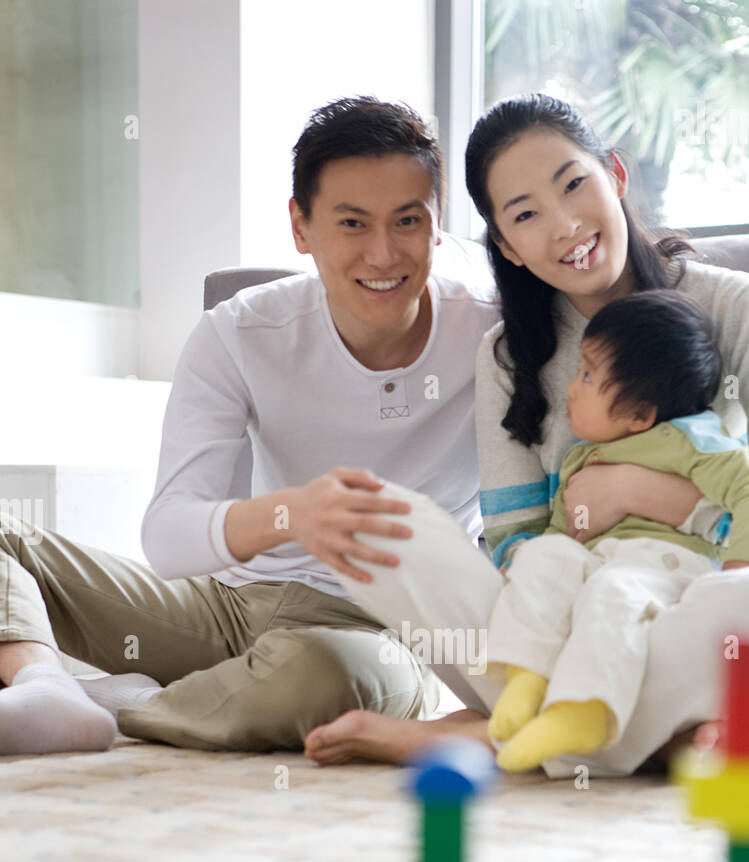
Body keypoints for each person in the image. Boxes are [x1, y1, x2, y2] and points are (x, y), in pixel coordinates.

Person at [303, 93, 749, 775]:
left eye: (573, 185)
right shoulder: (510, 357)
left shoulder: (735, 307)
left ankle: (501, 736)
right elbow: (514, 549)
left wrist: (639, 492)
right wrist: (584, 554)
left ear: (615, 176)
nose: (564, 227)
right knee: (379, 519)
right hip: (556, 620)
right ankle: (633, 732)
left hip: (683, 609)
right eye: (527, 214)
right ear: (508, 246)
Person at [0, 97, 500, 756]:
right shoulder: (240, 332)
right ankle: (45, 683)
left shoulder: (494, 335)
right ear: (301, 226)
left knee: (322, 675)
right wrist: (292, 515)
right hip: (233, 606)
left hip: (385, 634)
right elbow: (169, 536)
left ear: (437, 226)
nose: (383, 254)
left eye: (407, 221)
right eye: (352, 223)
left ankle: (130, 705)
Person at [485, 289, 749, 771]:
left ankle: (584, 711)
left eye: (587, 375)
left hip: (667, 572)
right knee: (544, 556)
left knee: (611, 588)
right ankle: (527, 676)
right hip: (604, 565)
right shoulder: (581, 459)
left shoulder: (689, 441)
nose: (571, 387)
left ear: (641, 415)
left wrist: (741, 574)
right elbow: (567, 541)